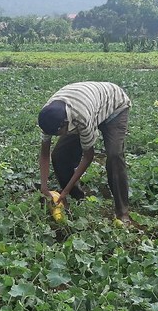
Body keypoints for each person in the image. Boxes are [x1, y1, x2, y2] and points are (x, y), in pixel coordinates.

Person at [37, 81, 132, 223]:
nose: (56, 137)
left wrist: (66, 190)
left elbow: (88, 156)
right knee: (59, 156)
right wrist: (44, 187)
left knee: (114, 155)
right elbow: (45, 153)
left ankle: (122, 213)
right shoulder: (48, 116)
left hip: (114, 107)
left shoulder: (81, 118)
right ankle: (78, 199)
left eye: (58, 134)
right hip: (90, 103)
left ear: (65, 123)